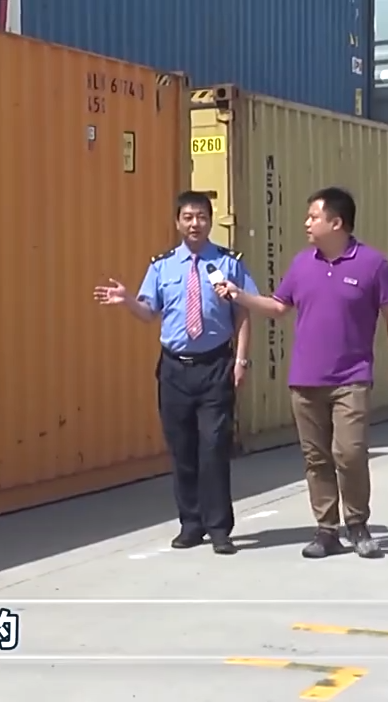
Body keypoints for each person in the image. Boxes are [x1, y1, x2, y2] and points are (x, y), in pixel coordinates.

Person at [215, 187, 388, 560]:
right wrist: (238, 295)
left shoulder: (372, 264)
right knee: (316, 458)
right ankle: (326, 530)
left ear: (336, 223)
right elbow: (277, 307)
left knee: (349, 453)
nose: (306, 223)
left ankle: (357, 524)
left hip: (352, 378)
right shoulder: (302, 264)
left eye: (313, 217)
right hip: (305, 380)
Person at [93, 191, 257, 555]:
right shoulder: (162, 266)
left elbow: (244, 314)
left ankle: (219, 528)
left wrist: (241, 361)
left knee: (214, 447)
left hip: (216, 366)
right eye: (188, 217)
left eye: (201, 217)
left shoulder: (229, 263)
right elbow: (148, 312)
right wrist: (127, 301)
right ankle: (191, 523)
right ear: (178, 222)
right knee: (182, 449)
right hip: (174, 370)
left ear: (210, 221)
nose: (195, 224)